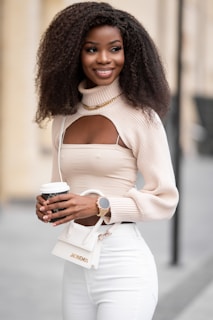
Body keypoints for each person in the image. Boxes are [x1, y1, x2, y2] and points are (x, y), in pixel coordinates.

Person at [35, 2, 179, 320]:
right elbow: (62, 186)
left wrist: (100, 205)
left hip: (124, 266)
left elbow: (165, 199)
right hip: (76, 262)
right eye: (91, 49)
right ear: (74, 54)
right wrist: (48, 207)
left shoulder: (141, 117)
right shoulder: (63, 117)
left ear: (129, 54)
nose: (104, 59)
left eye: (115, 48)